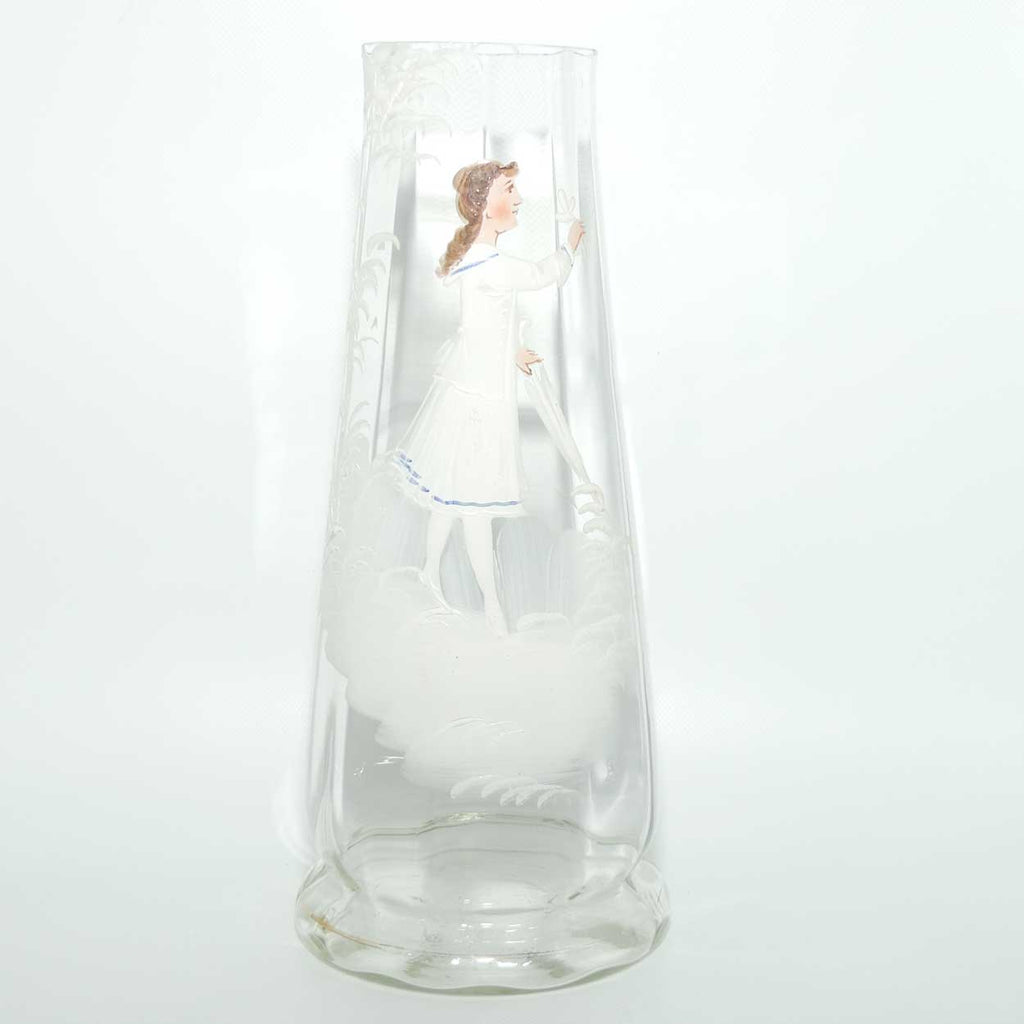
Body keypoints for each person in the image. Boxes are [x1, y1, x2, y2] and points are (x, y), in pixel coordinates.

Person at [389, 159, 585, 636]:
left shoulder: (476, 261)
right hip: (479, 399)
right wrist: (571, 242)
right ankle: (494, 610)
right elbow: (541, 273)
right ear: (485, 204)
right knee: (472, 502)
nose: (518, 199)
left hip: (470, 387)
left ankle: (429, 571)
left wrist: (510, 352)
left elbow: (481, 326)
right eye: (509, 190)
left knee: (451, 494)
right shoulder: (491, 264)